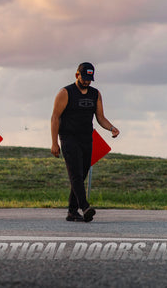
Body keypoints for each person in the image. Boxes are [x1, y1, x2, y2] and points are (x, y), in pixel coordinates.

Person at [51, 62, 119, 222]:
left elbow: (100, 117)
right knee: (75, 173)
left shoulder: (95, 94)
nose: (87, 81)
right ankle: (85, 206)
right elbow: (55, 117)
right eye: (84, 78)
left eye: (90, 79)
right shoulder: (65, 92)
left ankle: (72, 212)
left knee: (81, 175)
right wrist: (54, 142)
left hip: (86, 138)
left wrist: (112, 128)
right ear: (77, 75)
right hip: (69, 138)